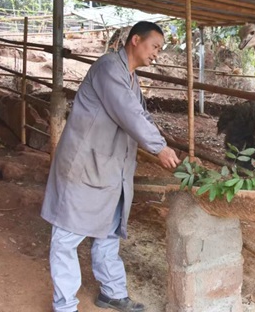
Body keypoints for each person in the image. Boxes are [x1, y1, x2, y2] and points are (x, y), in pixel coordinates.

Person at [41, 21, 180, 312]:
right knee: (67, 236)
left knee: (109, 231)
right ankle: (64, 305)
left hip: (109, 167)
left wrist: (161, 141)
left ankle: (112, 292)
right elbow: (128, 113)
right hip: (84, 165)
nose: (157, 54)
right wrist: (159, 147)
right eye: (154, 47)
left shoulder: (130, 78)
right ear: (135, 40)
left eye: (160, 49)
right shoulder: (108, 68)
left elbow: (141, 114)